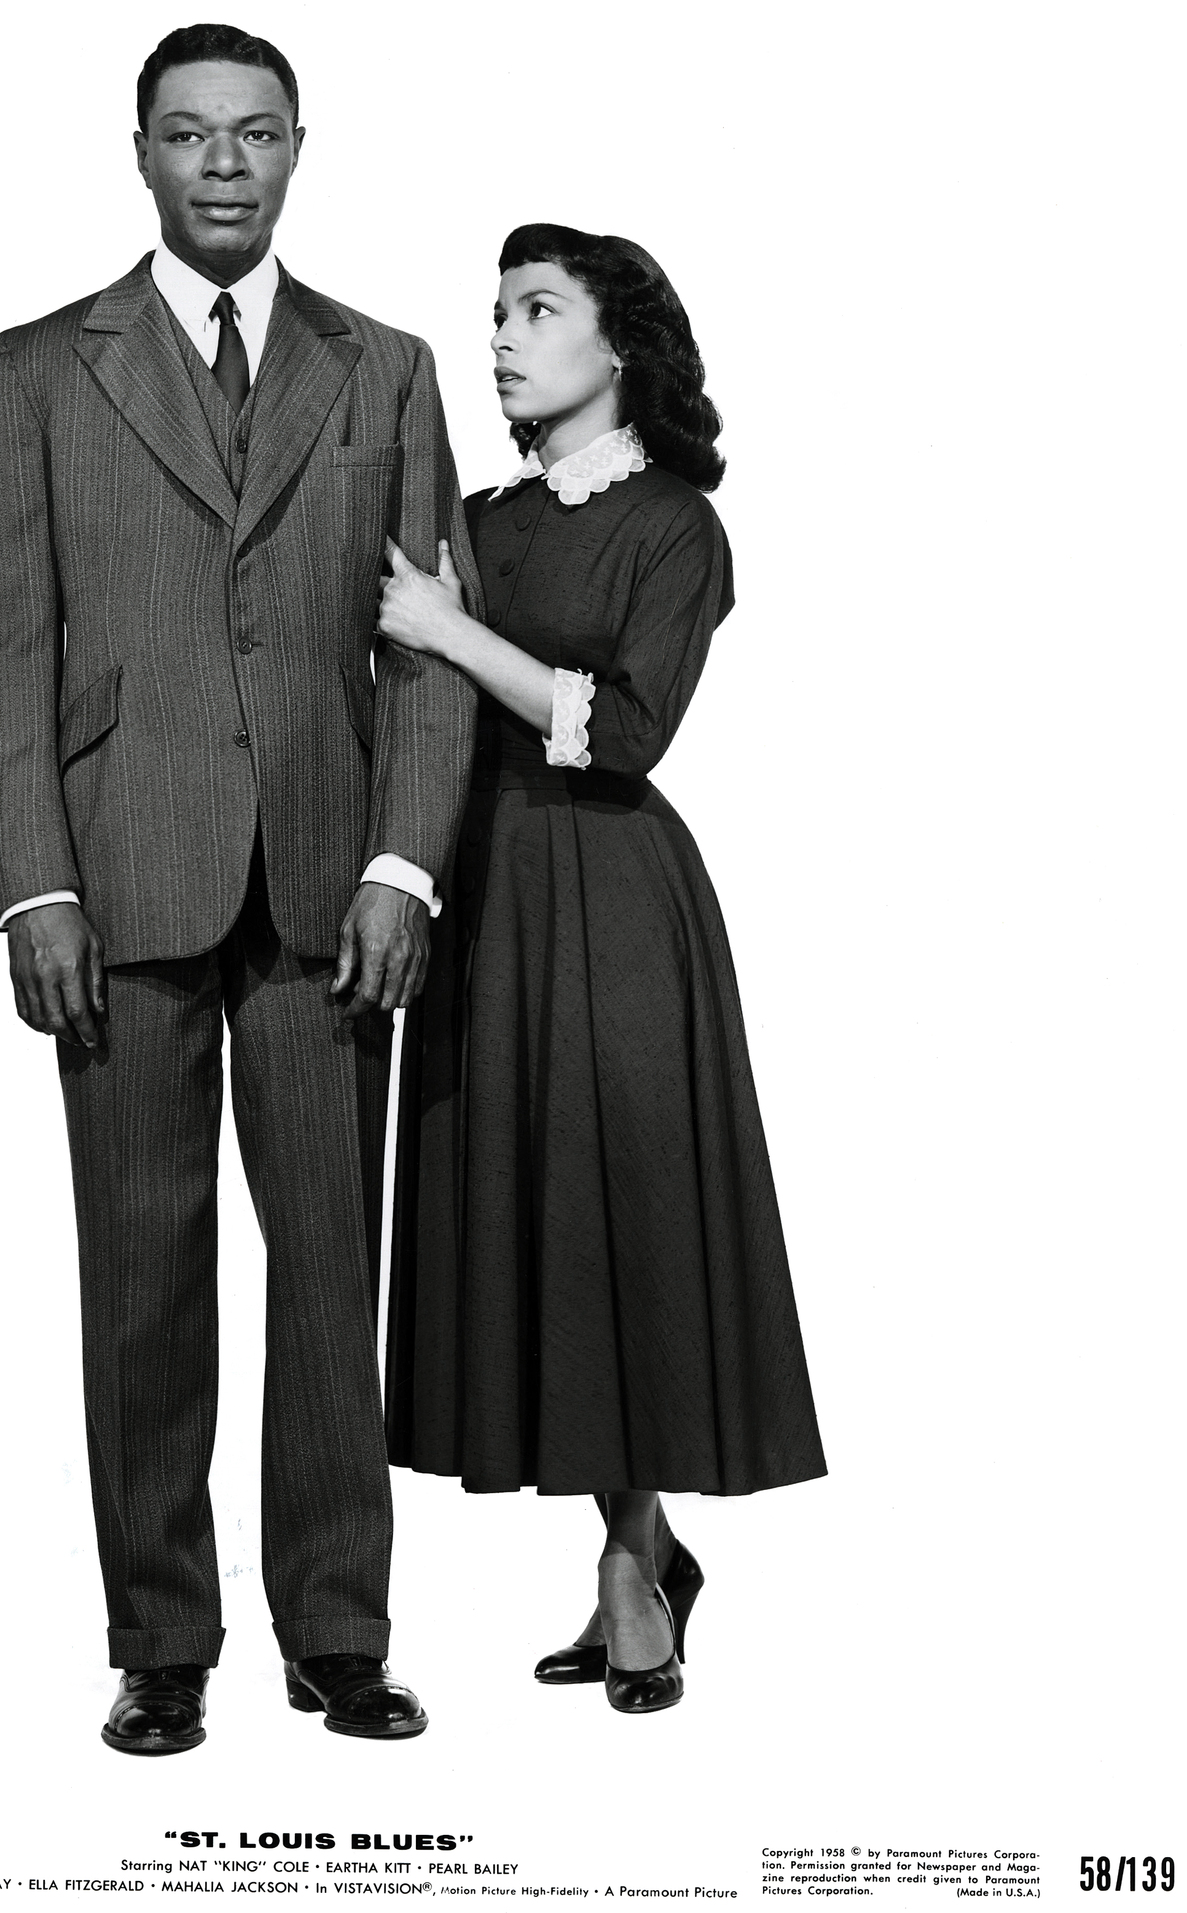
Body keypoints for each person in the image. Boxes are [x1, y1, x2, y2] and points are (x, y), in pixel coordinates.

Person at [0, 24, 480, 1755]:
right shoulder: (37, 370)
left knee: (334, 1276)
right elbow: (8, 656)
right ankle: (160, 1644)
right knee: (142, 1273)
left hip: (336, 891)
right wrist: (32, 890)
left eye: (256, 135)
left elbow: (428, 653)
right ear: (140, 154)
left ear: (301, 147)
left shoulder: (386, 369)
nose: (226, 166)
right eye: (191, 137)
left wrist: (408, 861)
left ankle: (340, 1634)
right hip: (119, 887)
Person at [379, 224, 826, 1716]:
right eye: (496, 311)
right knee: (544, 1232)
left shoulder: (676, 526)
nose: (503, 335)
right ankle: (632, 1555)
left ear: (614, 342)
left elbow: (627, 732)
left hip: (617, 901)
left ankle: (637, 1567)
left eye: (538, 309)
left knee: (622, 1217)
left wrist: (449, 629)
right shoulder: (488, 520)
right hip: (483, 895)